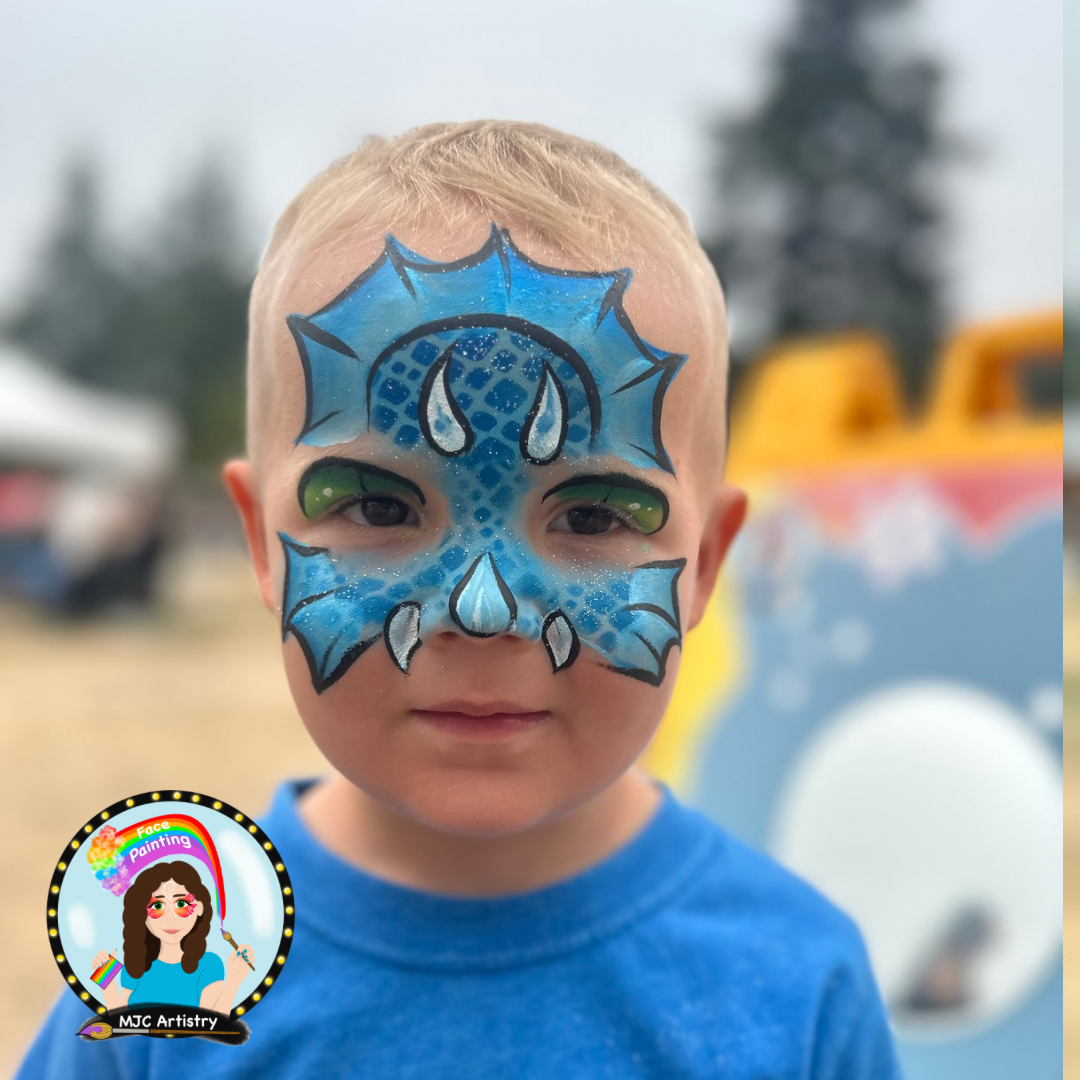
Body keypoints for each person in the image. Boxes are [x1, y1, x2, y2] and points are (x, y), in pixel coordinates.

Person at [16, 120, 904, 1078]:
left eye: (596, 518)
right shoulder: (166, 976)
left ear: (706, 564)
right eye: (378, 504)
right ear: (260, 547)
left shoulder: (799, 982)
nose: (481, 611)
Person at [88, 860, 252, 1014]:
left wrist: (234, 981)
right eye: (157, 906)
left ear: (200, 908)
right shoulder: (134, 966)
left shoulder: (210, 965)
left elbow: (211, 1027)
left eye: (181, 904)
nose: (171, 918)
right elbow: (123, 1026)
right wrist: (106, 981)